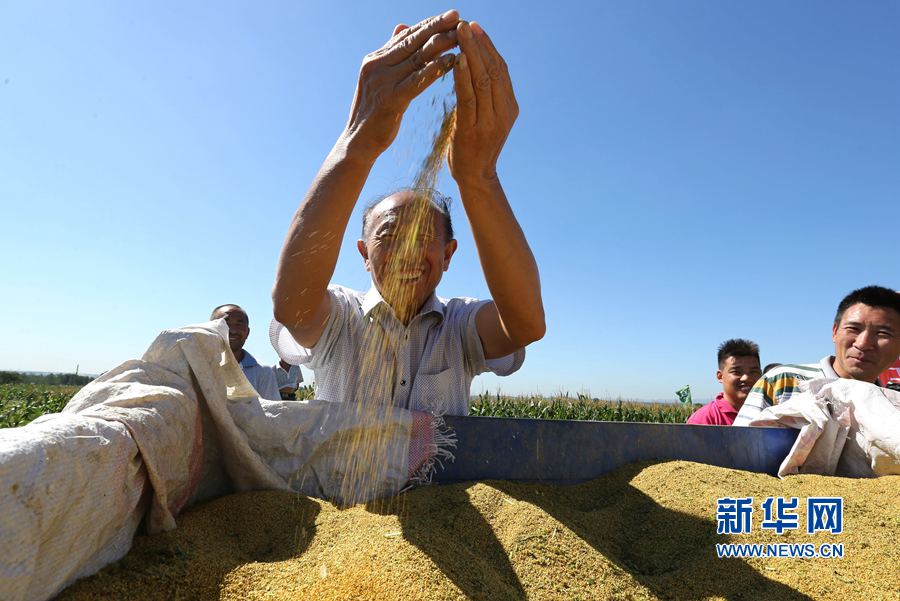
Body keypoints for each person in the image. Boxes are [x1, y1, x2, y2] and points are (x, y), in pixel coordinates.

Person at [269, 11, 545, 416]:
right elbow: (293, 306)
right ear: (364, 254)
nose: (406, 252)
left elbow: (525, 325)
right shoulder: (341, 319)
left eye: (424, 238)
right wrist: (357, 141)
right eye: (389, 236)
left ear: (448, 255)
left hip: (441, 484)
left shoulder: (459, 327)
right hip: (340, 481)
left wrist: (478, 175)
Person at [734, 286, 900, 426]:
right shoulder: (783, 382)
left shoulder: (892, 406)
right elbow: (736, 450)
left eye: (882, 333)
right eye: (853, 329)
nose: (863, 343)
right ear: (835, 332)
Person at [210, 304, 281, 401]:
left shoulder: (263, 372)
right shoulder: (196, 367)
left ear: (247, 333)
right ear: (211, 330)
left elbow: (273, 412)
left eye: (239, 324)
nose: (233, 330)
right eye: (225, 324)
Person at [687, 339, 762, 426]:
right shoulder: (704, 419)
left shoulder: (772, 414)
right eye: (736, 372)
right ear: (720, 376)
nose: (746, 378)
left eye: (753, 372)